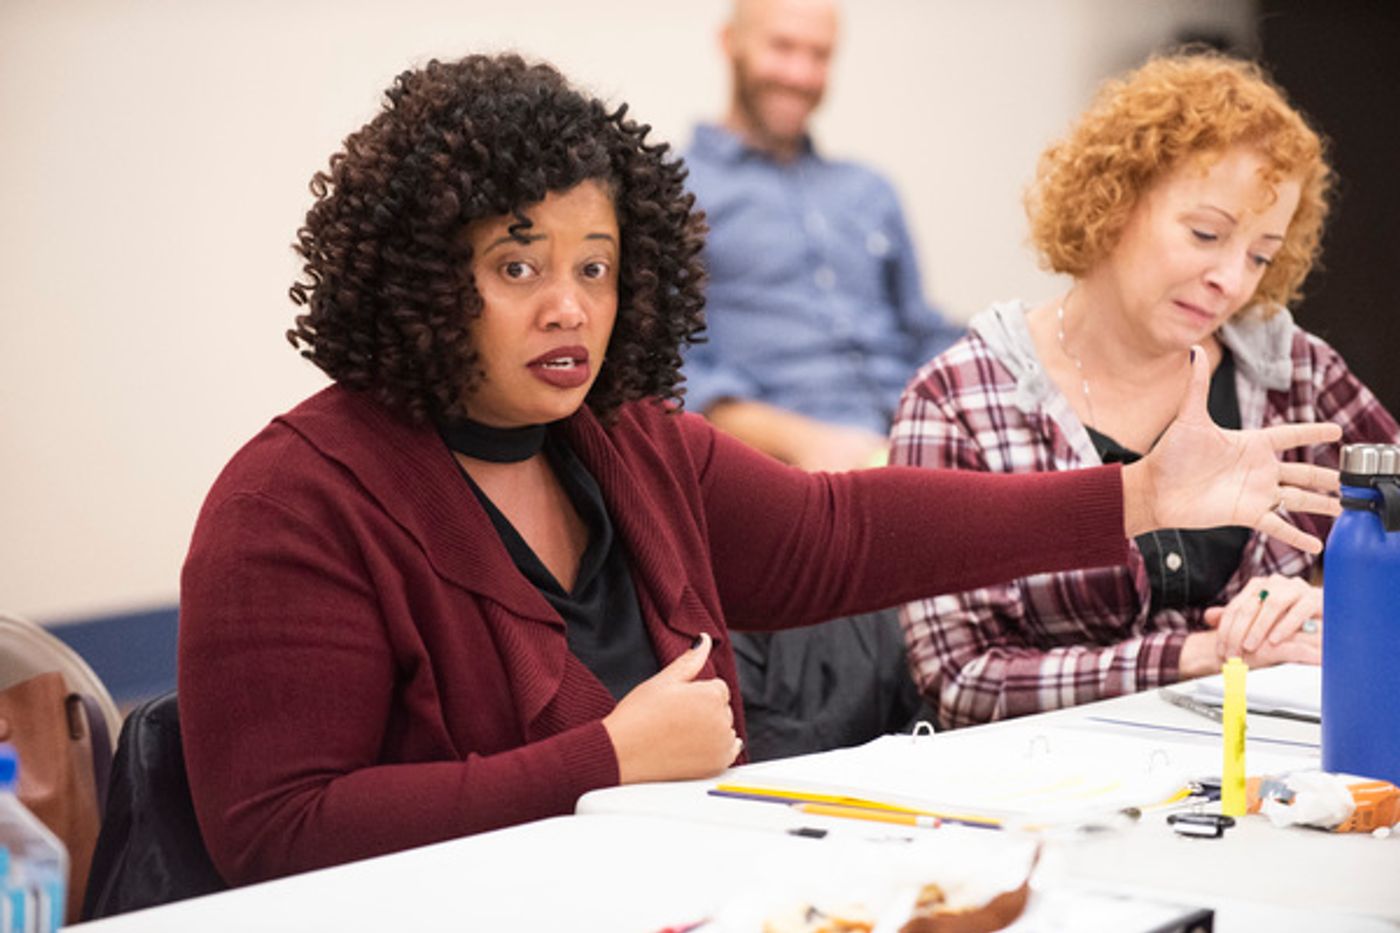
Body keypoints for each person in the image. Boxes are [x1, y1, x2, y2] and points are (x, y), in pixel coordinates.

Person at [178, 53, 1341, 887]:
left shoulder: (625, 443)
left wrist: (1140, 496)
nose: (569, 305)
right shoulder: (293, 502)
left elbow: (842, 536)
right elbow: (273, 833)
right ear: (424, 280)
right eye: (517, 267)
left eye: (596, 265)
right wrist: (603, 762)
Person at [891, 52, 1399, 731]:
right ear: (1114, 201)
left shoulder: (1294, 371)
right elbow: (961, 680)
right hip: (1046, 794)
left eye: (1260, 255)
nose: (1232, 280)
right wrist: (1200, 654)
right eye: (1207, 234)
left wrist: (1322, 595)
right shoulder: (962, 399)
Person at [683, 0, 959, 759]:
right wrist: (805, 439)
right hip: (788, 481)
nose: (801, 73)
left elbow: (922, 330)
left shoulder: (869, 190)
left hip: (906, 457)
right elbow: (669, 375)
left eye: (819, 55)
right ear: (730, 42)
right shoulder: (676, 191)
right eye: (782, 48)